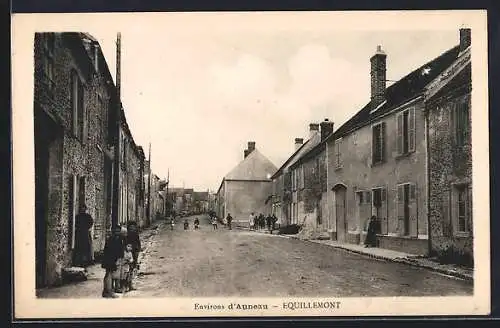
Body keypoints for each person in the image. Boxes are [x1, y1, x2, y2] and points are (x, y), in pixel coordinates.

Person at [101, 226, 123, 298]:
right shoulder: (111, 239)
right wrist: (115, 260)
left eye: (118, 231)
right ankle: (109, 292)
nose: (117, 233)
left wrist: (119, 258)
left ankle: (106, 291)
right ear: (113, 232)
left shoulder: (119, 239)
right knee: (109, 275)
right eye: (116, 231)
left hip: (113, 258)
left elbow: (120, 250)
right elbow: (111, 251)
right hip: (109, 258)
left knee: (110, 275)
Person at [126, 221, 141, 291]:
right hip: (128, 254)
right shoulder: (126, 236)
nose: (132, 229)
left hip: (135, 253)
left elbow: (138, 244)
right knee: (127, 269)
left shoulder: (136, 235)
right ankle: (127, 285)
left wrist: (138, 251)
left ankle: (130, 284)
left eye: (134, 228)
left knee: (132, 269)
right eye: (131, 228)